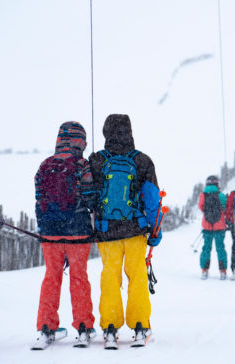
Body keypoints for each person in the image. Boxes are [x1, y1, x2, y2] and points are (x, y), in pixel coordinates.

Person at [89, 114, 162, 349]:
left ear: (105, 132)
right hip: (134, 230)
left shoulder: (97, 160)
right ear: (130, 132)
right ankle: (140, 325)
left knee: (110, 277)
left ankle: (110, 326)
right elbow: (152, 201)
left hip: (107, 231)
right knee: (137, 277)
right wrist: (156, 231)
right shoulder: (142, 161)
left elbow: (88, 197)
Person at [34, 121, 95, 348]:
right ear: (81, 142)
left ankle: (46, 328)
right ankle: (83, 327)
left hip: (50, 235)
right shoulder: (82, 164)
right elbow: (90, 197)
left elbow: (38, 198)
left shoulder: (44, 165)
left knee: (52, 277)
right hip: (78, 232)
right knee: (78, 278)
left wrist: (45, 228)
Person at [197, 175, 228, 280]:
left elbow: (201, 207)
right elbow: (224, 208)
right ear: (217, 183)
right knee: (220, 248)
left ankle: (204, 270)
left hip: (207, 225)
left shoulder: (203, 195)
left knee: (206, 248)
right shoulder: (221, 195)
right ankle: (223, 271)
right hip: (219, 226)